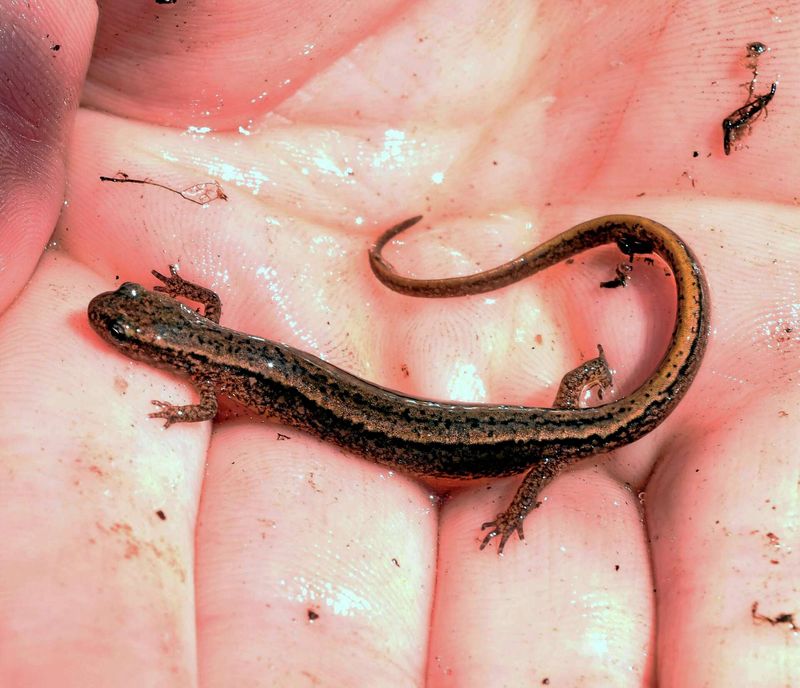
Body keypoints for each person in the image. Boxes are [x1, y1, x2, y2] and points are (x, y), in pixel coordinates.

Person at [1, 2, 797, 685]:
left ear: (166, 349)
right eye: (128, 319)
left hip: (556, 437)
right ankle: (584, 387)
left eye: (128, 318)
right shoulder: (204, 339)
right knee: (562, 421)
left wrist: (517, 509)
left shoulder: (206, 370)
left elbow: (214, 388)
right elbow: (209, 327)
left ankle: (568, 419)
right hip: (571, 418)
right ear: (172, 342)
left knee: (549, 449)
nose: (119, 319)